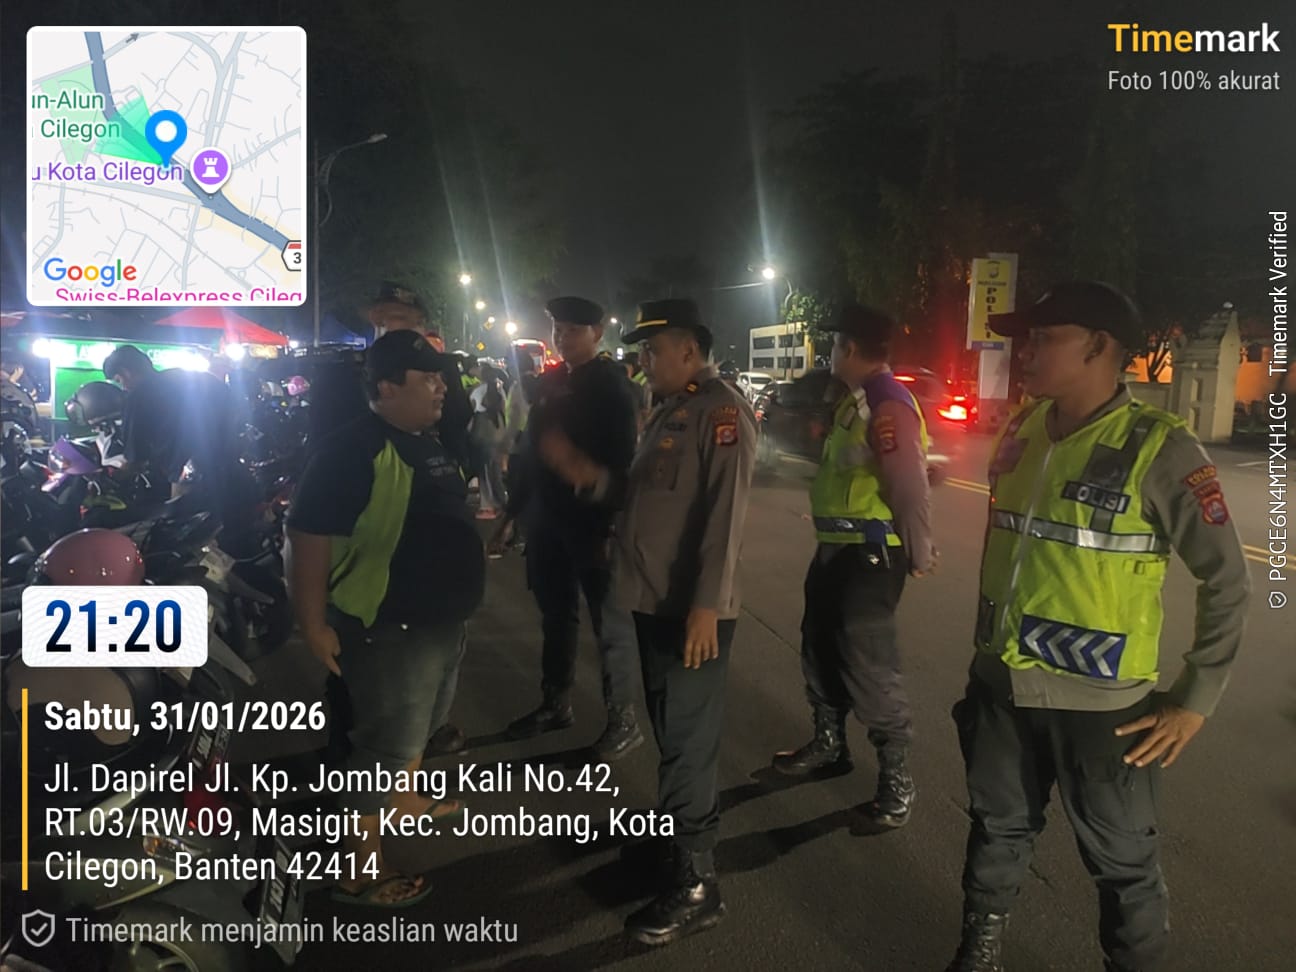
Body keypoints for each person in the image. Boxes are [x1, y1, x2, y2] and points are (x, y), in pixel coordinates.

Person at [944, 282, 1250, 972]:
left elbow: (1228, 581)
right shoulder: (1023, 429)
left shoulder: (1160, 449)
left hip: (1103, 710)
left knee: (1123, 864)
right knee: (996, 829)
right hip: (1001, 686)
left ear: (1099, 347)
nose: (1026, 352)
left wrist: (1195, 700)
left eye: (1044, 338)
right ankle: (978, 949)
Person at [544, 298, 756, 945]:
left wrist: (706, 606)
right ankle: (679, 841)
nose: (644, 359)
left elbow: (724, 516)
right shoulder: (671, 408)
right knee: (669, 728)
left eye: (653, 349)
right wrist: (588, 476)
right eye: (641, 349)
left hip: (691, 609)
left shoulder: (721, 412)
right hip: (655, 601)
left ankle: (697, 884)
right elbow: (646, 495)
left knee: (687, 742)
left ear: (689, 350)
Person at [285, 330, 486, 907]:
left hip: (438, 624)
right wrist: (312, 622)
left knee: (419, 728)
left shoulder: (423, 440)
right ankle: (358, 866)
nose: (442, 386)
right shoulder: (353, 448)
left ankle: (401, 801)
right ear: (386, 387)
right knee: (384, 748)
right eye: (428, 378)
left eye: (441, 376)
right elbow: (307, 534)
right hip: (390, 627)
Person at [770, 305, 936, 831]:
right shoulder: (855, 402)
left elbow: (907, 482)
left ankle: (896, 778)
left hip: (869, 555)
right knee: (818, 647)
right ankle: (829, 742)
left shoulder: (887, 402)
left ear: (851, 348)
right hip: (836, 549)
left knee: (868, 663)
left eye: (835, 343)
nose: (830, 352)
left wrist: (920, 549)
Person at [491, 296, 643, 760]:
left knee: (608, 623)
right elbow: (531, 455)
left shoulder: (612, 387)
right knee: (555, 616)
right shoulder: (551, 382)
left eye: (574, 330)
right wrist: (511, 513)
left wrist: (606, 520)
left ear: (597, 333)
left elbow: (622, 464)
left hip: (591, 524)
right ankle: (555, 702)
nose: (563, 337)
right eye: (558, 328)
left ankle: (623, 719)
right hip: (547, 521)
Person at [102, 344, 253, 526]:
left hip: (190, 480)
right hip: (234, 471)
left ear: (126, 372)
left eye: (119, 380)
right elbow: (239, 417)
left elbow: (136, 457)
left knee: (183, 533)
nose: (124, 387)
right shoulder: (200, 378)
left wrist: (113, 479)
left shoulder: (138, 397)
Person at [469, 363, 509, 518]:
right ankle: (502, 501)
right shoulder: (500, 391)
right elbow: (504, 409)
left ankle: (488, 506)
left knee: (484, 471)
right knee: (496, 471)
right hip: (498, 432)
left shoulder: (477, 391)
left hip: (483, 433)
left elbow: (472, 410)